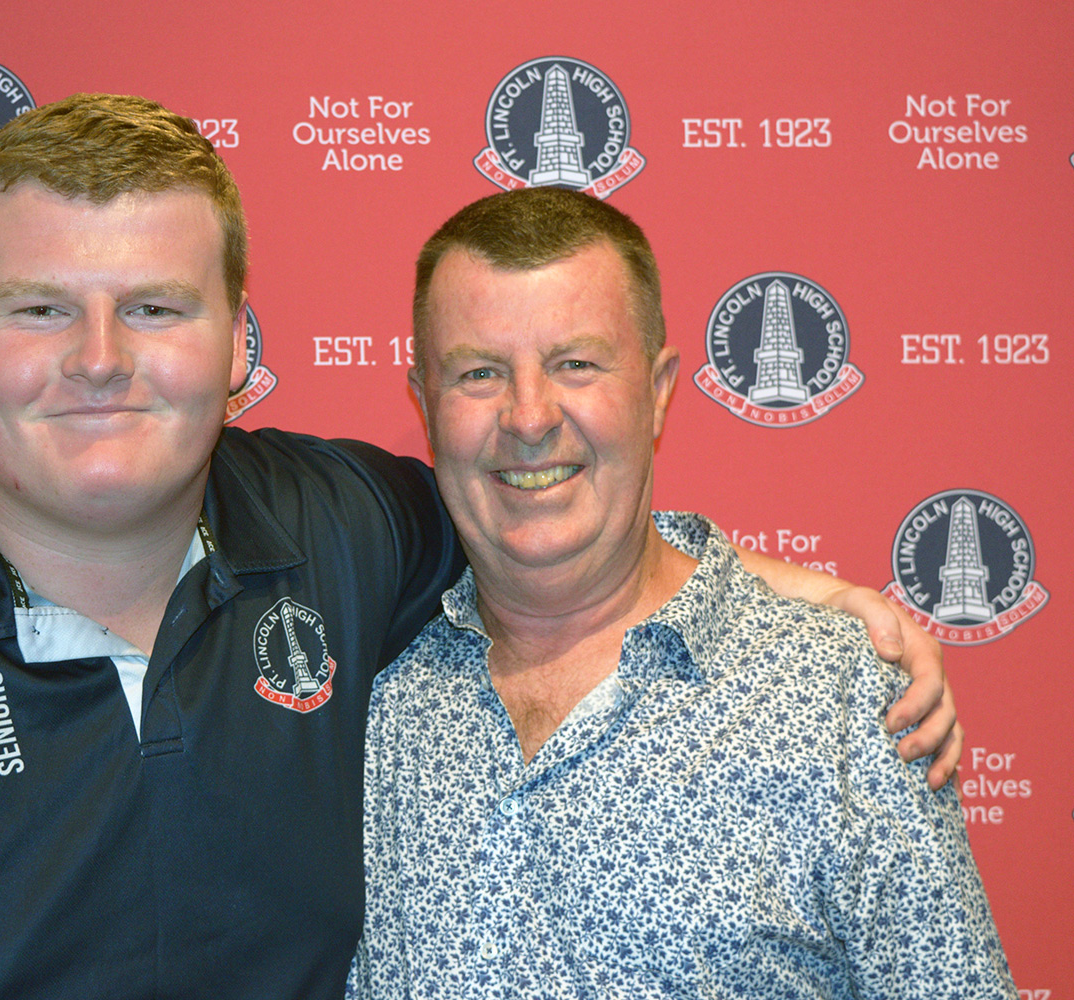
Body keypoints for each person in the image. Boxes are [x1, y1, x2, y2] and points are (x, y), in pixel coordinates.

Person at [0, 94, 955, 999]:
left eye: (156, 309)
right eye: (39, 311)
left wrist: (787, 600)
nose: (99, 360)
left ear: (239, 344)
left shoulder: (341, 532)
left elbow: (543, 505)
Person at [349, 187, 1013, 997]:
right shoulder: (359, 691)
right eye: (479, 373)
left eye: (576, 364)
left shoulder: (840, 697)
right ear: (424, 400)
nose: (528, 417)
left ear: (659, 388)